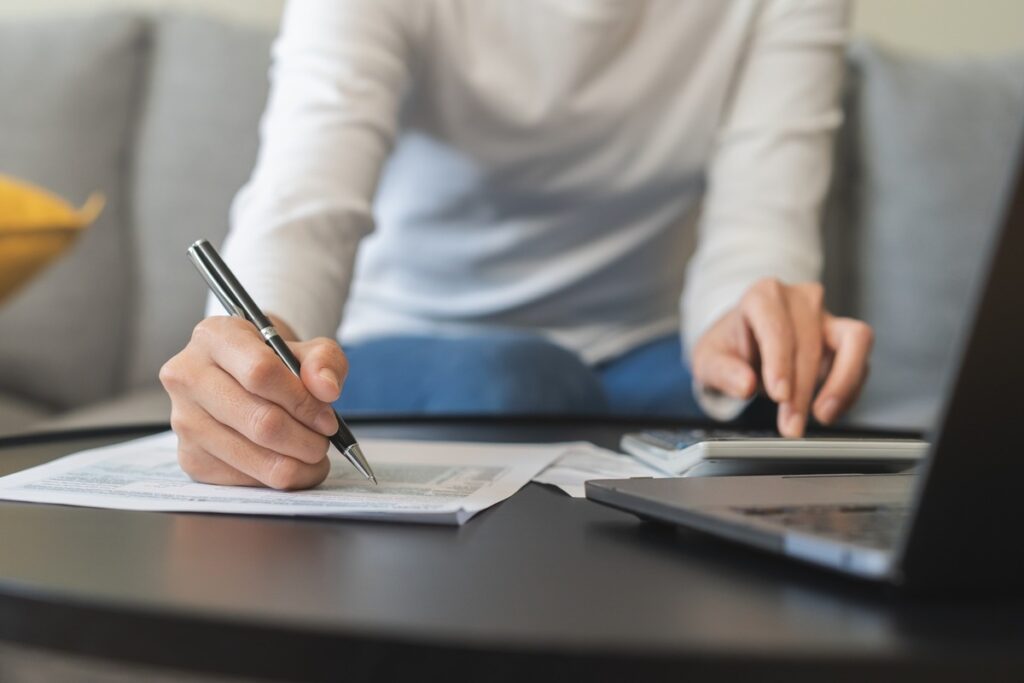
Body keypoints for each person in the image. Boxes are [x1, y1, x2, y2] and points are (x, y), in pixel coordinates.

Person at [160, 0, 873, 490]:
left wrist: (748, 330)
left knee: (781, 401)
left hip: (647, 355)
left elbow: (761, 222)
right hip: (423, 344)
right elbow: (305, 199)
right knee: (520, 380)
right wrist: (257, 354)